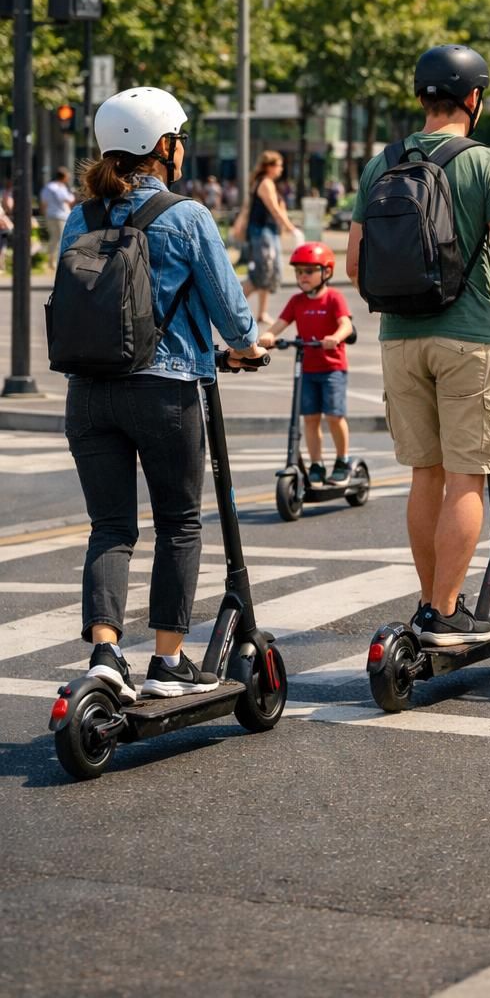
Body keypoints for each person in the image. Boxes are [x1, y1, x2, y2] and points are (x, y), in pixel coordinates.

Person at [60, 86, 266, 702]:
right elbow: (231, 312)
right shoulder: (186, 215)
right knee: (178, 521)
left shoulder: (81, 215)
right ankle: (168, 661)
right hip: (164, 387)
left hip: (87, 392)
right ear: (162, 147)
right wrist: (247, 347)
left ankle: (105, 652)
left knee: (110, 526)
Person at [347, 44, 490, 647]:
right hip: (467, 337)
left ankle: (430, 606)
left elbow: (355, 264)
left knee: (424, 476)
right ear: (475, 99)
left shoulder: (380, 165)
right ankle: (446, 610)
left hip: (399, 339)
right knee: (467, 478)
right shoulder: (485, 163)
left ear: (421, 98)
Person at [262, 241, 356, 486]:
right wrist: (268, 337)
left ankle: (342, 460)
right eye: (299, 272)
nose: (302, 276)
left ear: (326, 272)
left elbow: (346, 324)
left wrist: (335, 337)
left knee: (334, 416)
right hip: (307, 368)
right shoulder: (296, 301)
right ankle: (316, 464)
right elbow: (279, 324)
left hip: (332, 368)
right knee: (310, 419)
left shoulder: (334, 298)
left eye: (309, 271)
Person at [237, 151, 301, 327]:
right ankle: (231, 305)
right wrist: (291, 227)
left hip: (267, 232)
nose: (281, 169)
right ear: (269, 166)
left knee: (267, 272)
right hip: (262, 233)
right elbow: (274, 209)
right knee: (261, 273)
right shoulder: (265, 183)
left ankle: (262, 313)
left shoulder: (267, 183)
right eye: (279, 165)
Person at [41, 166, 76, 271]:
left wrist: (44, 213)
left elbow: (43, 202)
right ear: (64, 177)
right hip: (61, 216)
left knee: (54, 238)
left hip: (51, 215)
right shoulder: (60, 188)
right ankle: (55, 262)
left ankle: (51, 261)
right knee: (60, 239)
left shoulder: (48, 186)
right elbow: (69, 200)